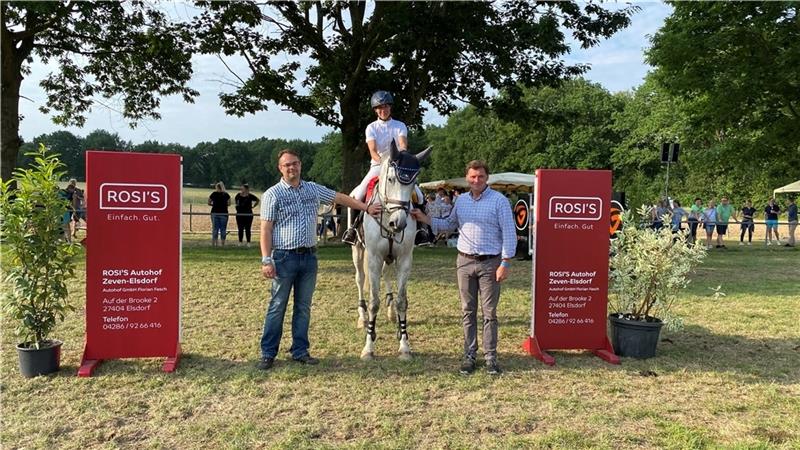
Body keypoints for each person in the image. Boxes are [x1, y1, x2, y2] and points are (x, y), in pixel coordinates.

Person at [257, 149, 379, 370]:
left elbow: (340, 198)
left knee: (303, 307)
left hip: (309, 257)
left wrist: (366, 207)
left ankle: (300, 351)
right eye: (287, 165)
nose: (291, 168)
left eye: (294, 163)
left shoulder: (312, 189)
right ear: (280, 168)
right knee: (277, 305)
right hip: (284, 257)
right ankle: (268, 353)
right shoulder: (272, 194)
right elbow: (265, 229)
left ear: (300, 165)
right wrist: (266, 259)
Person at [411, 160, 516, 376]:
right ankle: (469, 355)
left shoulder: (500, 201)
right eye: (473, 177)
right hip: (465, 261)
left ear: (487, 178)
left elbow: (509, 233)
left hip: (490, 262)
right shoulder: (462, 201)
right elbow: (450, 224)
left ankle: (490, 357)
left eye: (481, 177)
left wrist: (505, 262)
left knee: (489, 313)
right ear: (467, 178)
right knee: (468, 310)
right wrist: (425, 219)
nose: (476, 180)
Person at [342, 90, 419, 245]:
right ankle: (353, 228)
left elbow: (403, 145)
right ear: (375, 110)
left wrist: (400, 158)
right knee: (358, 195)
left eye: (385, 107)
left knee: (419, 195)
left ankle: (422, 230)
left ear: (390, 108)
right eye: (379, 108)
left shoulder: (400, 126)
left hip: (397, 166)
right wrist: (384, 163)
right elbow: (372, 151)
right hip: (378, 165)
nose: (383, 110)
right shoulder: (371, 127)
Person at [208, 182, 231, 247]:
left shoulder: (213, 194)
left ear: (217, 187)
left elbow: (209, 202)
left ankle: (214, 243)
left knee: (215, 229)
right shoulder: (226, 195)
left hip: (215, 212)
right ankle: (222, 244)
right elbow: (229, 203)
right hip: (224, 213)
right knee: (223, 229)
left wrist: (214, 204)